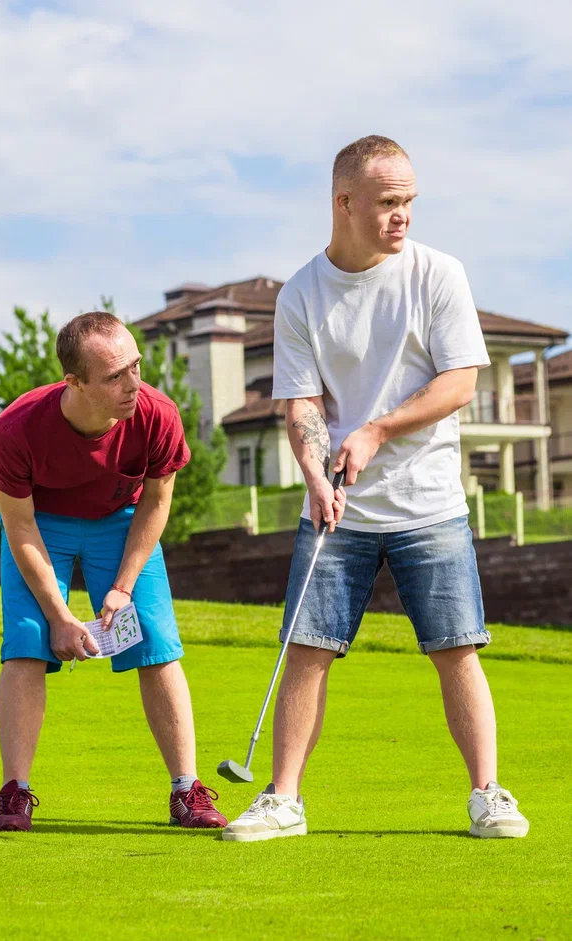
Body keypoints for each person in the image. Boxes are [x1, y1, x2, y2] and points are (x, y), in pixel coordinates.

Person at [223, 135, 529, 842]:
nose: (402, 217)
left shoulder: (437, 274)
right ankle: (283, 799)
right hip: (338, 507)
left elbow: (460, 381)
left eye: (409, 202)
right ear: (344, 203)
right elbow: (299, 402)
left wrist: (377, 431)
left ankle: (487, 792)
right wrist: (312, 473)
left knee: (456, 647)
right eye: (388, 203)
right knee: (307, 648)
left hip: (429, 503)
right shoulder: (301, 293)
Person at [0, 312, 227, 832]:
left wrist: (122, 587)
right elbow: (19, 527)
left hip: (120, 520)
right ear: (74, 382)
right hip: (42, 523)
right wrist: (59, 614)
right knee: (27, 641)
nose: (133, 384)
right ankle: (14, 793)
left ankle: (187, 790)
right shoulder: (17, 427)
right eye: (115, 376)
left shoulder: (157, 413)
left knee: (157, 643)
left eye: (136, 366)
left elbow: (158, 503)